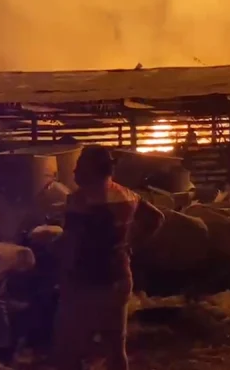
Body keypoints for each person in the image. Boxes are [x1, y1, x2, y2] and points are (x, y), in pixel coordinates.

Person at [51, 146, 164, 370]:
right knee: (115, 349)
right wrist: (132, 244)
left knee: (69, 351)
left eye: (80, 165)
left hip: (85, 282)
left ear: (92, 169)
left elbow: (72, 245)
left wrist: (63, 277)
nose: (74, 171)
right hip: (119, 278)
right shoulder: (127, 195)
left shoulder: (79, 200)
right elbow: (156, 218)